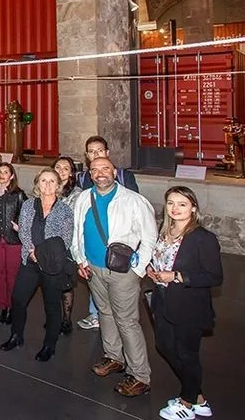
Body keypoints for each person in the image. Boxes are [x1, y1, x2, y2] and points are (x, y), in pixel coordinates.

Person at [70, 157, 157, 397]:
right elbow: (78, 232)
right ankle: (113, 357)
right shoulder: (84, 198)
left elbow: (150, 238)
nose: (100, 174)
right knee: (105, 313)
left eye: (105, 169)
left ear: (115, 172)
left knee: (127, 321)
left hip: (123, 272)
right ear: (90, 174)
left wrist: (138, 270)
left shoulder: (133, 200)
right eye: (95, 170)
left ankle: (139, 375)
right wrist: (80, 260)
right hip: (93, 268)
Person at [147, 187, 223, 420]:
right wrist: (151, 269)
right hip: (163, 300)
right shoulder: (165, 230)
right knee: (165, 346)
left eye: (182, 204)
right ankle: (198, 398)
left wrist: (177, 276)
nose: (175, 208)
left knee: (186, 354)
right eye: (171, 203)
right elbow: (160, 258)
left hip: (189, 306)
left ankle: (187, 403)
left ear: (193, 208)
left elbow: (214, 277)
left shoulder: (203, 238)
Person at [0, 168, 74, 362]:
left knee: (52, 306)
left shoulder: (65, 210)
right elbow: (23, 230)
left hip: (52, 265)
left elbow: (65, 239)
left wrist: (42, 254)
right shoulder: (28, 205)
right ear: (37, 184)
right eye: (43, 181)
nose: (47, 185)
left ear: (58, 186)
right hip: (30, 261)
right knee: (18, 299)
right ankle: (16, 335)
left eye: (51, 181)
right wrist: (33, 252)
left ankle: (49, 345)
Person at [0, 163, 27, 325]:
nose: (2, 175)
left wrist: (20, 227)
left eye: (6, 172)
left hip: (13, 240)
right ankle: (1, 306)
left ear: (12, 176)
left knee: (12, 276)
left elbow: (27, 215)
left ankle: (11, 307)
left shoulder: (19, 194)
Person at [54, 155, 83, 334]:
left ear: (71, 173)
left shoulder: (77, 194)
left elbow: (72, 220)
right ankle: (54, 317)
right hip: (47, 244)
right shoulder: (46, 187)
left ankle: (66, 319)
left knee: (65, 285)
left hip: (66, 245)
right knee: (50, 284)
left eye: (66, 168)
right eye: (58, 167)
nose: (61, 171)